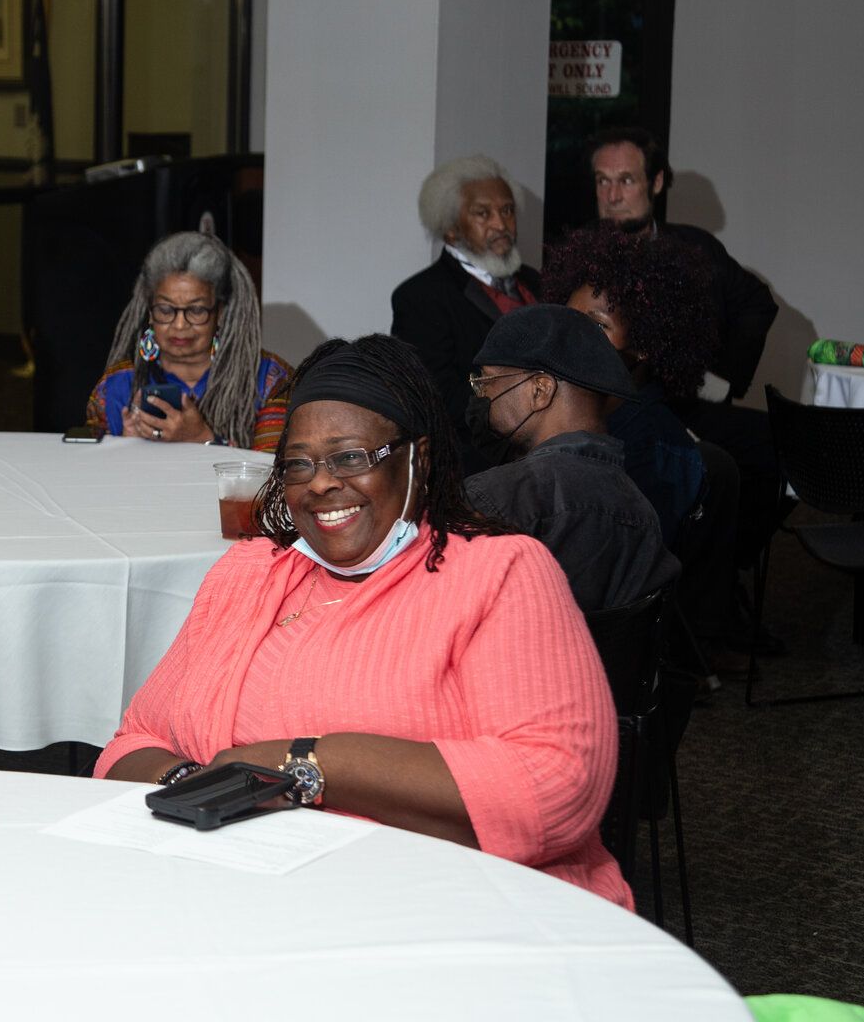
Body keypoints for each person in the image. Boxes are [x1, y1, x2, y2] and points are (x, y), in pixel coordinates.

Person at [97, 334, 628, 906]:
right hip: (246, 897)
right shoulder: (250, 572)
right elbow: (130, 745)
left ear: (416, 460)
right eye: (298, 464)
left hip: (453, 909)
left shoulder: (501, 574)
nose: (321, 482)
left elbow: (556, 786)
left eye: (350, 457)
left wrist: (299, 765)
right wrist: (202, 788)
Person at [588, 127, 783, 602]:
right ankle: (701, 598)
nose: (612, 196)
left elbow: (757, 303)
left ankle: (721, 578)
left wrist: (727, 378)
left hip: (691, 400)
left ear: (655, 184)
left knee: (781, 450)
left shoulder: (695, 246)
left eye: (626, 181)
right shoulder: (582, 257)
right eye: (602, 181)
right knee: (702, 471)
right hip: (619, 411)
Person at [463, 303, 680, 613]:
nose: (480, 397)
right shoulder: (643, 515)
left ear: (540, 390)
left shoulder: (490, 499)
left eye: (485, 382)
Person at [543, 226, 716, 547]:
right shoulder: (568, 411)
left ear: (643, 345)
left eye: (597, 325)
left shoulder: (654, 450)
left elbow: (622, 566)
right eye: (568, 319)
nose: (573, 336)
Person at [390, 154, 541, 459]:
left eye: (507, 210)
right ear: (450, 230)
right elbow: (434, 398)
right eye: (482, 214)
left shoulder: (537, 282)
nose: (501, 224)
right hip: (474, 467)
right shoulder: (420, 297)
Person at [85, 231, 292, 450]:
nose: (180, 325)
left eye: (196, 310)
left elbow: (277, 476)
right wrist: (126, 448)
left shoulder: (268, 380)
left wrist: (202, 438)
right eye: (165, 309)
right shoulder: (117, 386)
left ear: (220, 312)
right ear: (149, 311)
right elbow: (87, 477)